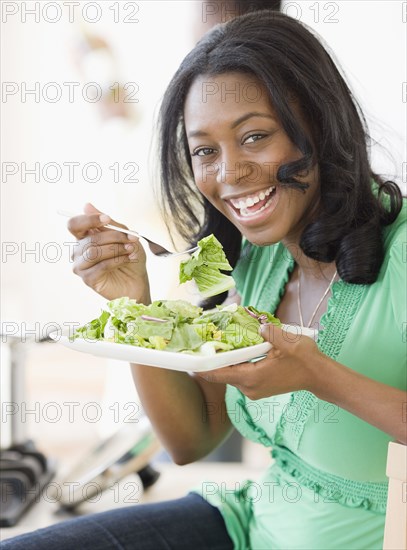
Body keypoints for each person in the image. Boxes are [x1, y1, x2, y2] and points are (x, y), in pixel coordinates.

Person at [3, 10, 406, 550]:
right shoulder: (260, 259)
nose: (229, 173)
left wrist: (319, 375)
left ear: (320, 123)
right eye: (205, 151)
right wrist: (136, 305)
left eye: (255, 136)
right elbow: (192, 438)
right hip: (250, 525)